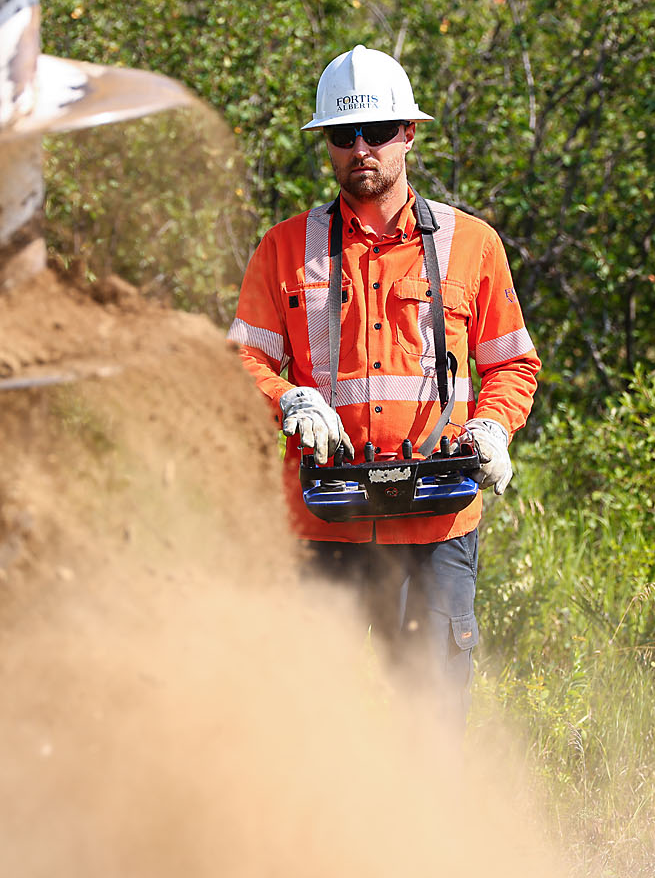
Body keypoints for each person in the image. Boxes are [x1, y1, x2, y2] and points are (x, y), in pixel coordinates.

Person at [228, 45, 540, 729]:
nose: (359, 148)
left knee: (430, 719)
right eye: (343, 136)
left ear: (410, 133)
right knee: (308, 726)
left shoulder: (472, 244)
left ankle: (426, 840)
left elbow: (513, 364)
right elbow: (236, 365)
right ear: (327, 146)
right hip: (321, 523)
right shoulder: (284, 248)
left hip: (436, 519)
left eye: (376, 131)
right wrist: (290, 399)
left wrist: (492, 427)